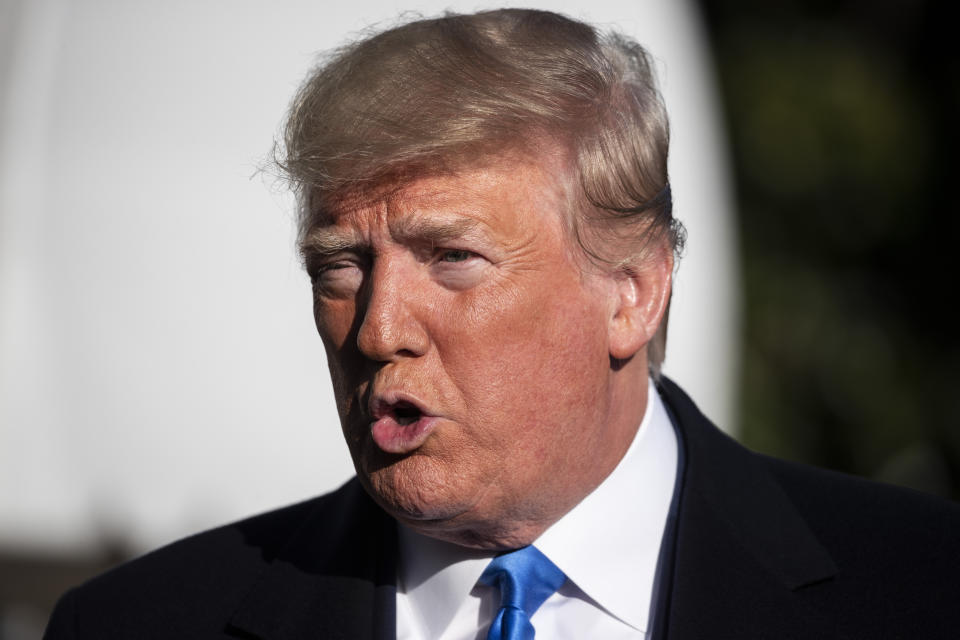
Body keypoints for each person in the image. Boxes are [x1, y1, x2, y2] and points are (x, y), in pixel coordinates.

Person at [44, 9, 960, 640]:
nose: (377, 329)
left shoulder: (922, 591)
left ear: (634, 292)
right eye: (341, 266)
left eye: (452, 258)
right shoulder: (143, 623)